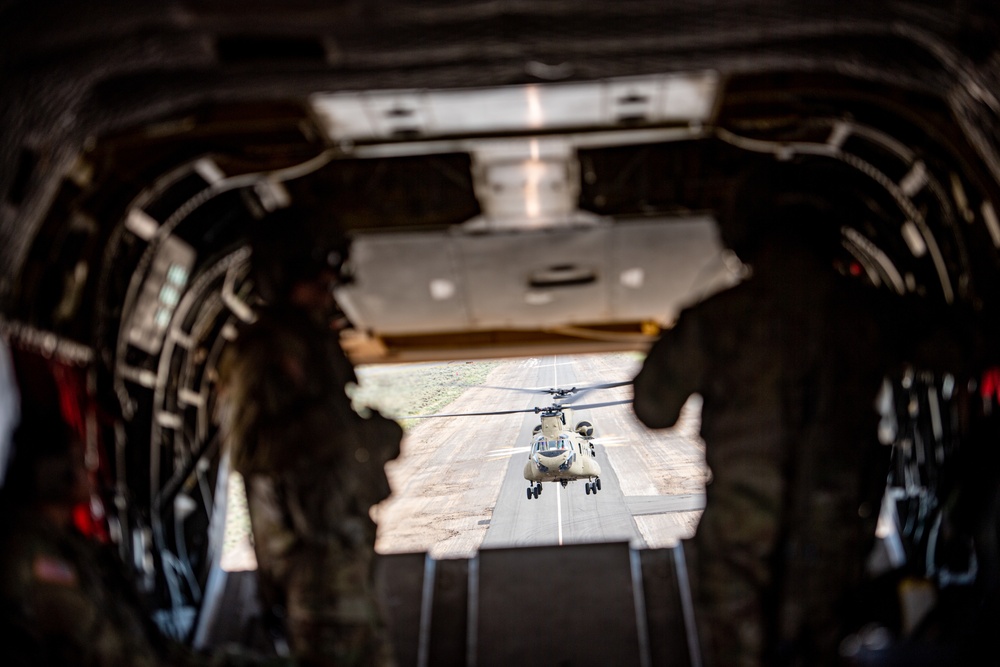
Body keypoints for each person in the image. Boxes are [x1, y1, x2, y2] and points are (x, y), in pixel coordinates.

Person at [632, 198, 966, 666]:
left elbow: (652, 408)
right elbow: (964, 348)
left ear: (745, 241)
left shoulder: (717, 320)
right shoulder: (865, 312)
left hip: (739, 538)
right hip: (832, 535)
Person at [218, 208, 402, 667]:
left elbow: (325, 439)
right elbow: (249, 450)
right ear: (285, 274)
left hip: (337, 548)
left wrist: (370, 437)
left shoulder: (307, 343)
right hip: (309, 563)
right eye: (315, 271)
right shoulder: (262, 350)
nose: (327, 284)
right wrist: (342, 430)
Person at [0, 411, 168, 667]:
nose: (90, 470)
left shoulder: (72, 545)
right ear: (57, 472)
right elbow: (104, 648)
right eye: (80, 460)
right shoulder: (34, 558)